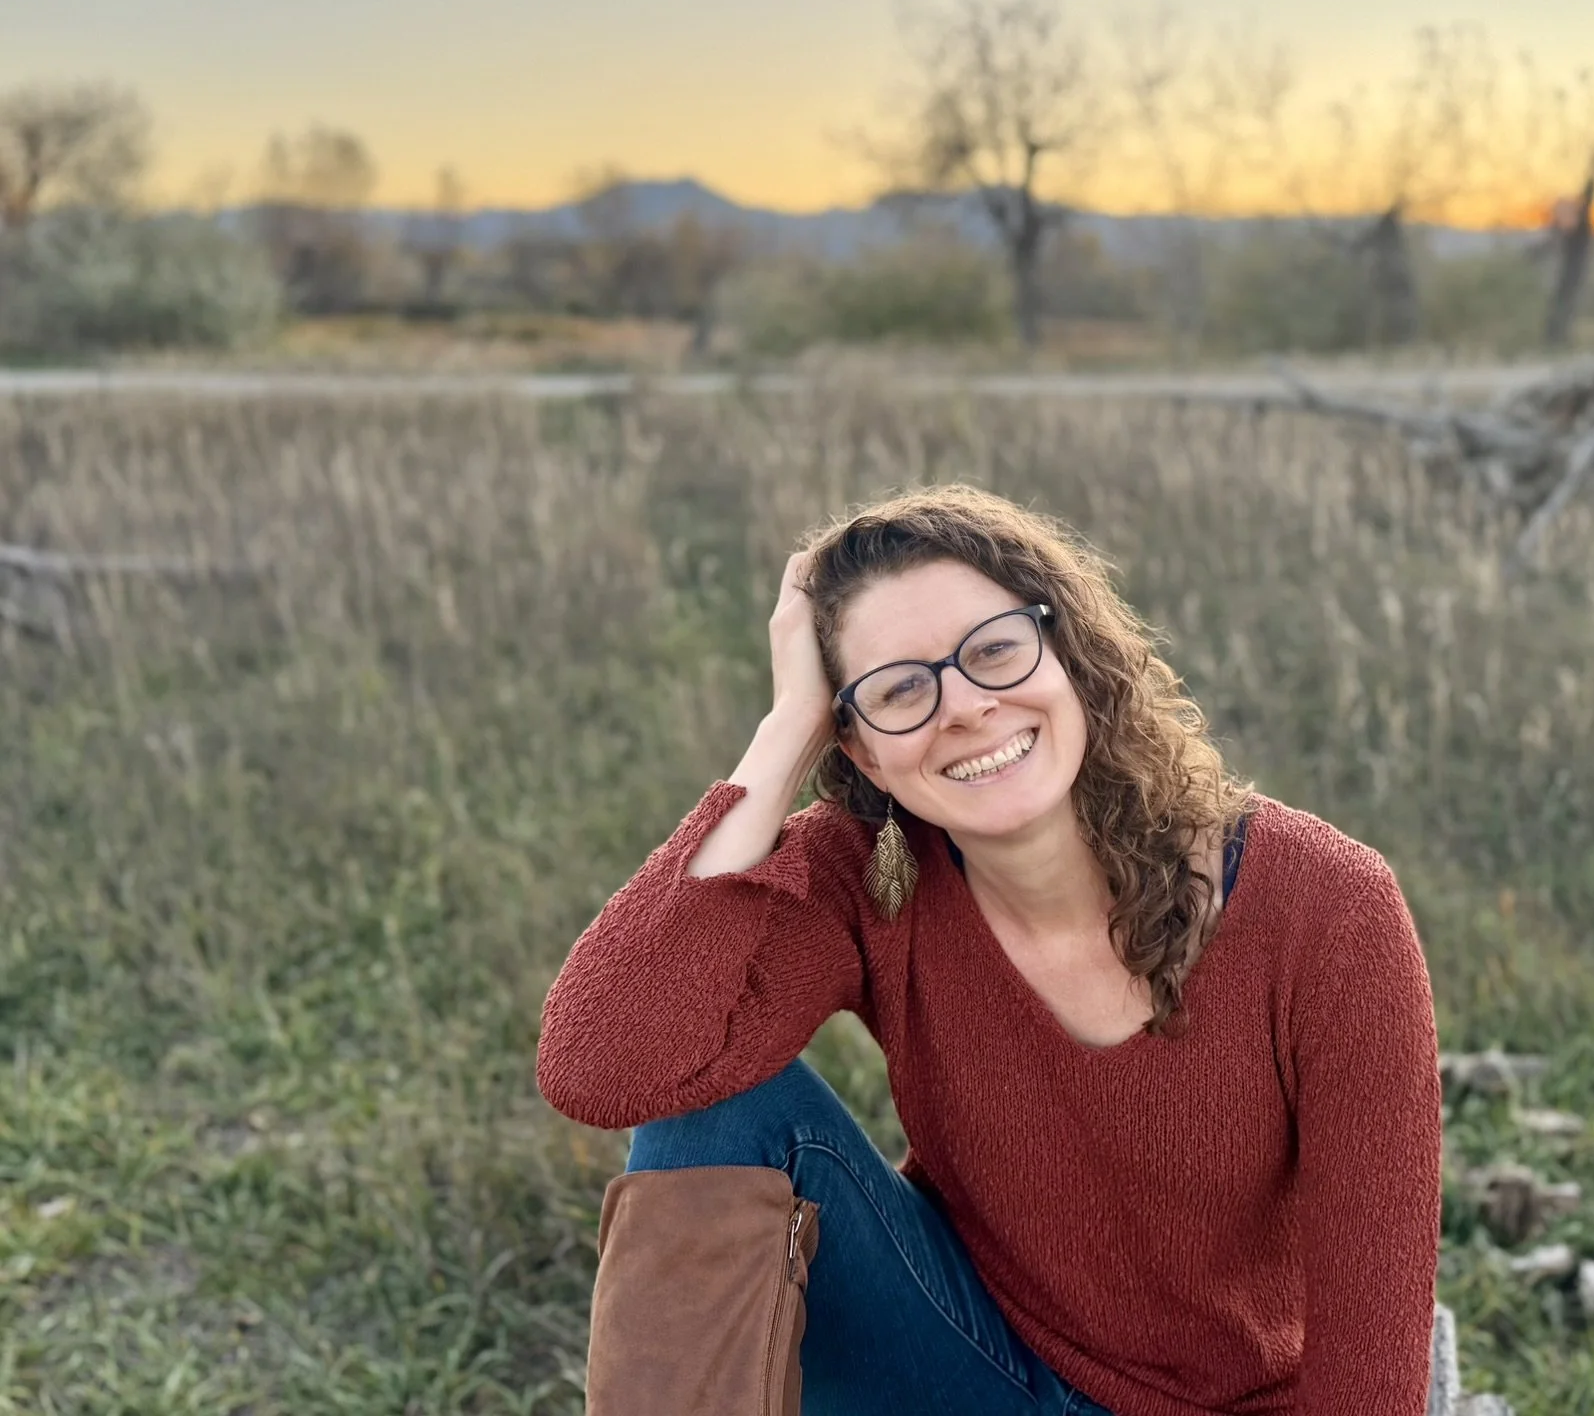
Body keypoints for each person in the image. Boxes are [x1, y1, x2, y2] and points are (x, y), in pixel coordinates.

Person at [535, 484, 1443, 1416]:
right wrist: (781, 738)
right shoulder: (870, 876)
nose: (964, 706)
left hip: (1224, 1405)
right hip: (970, 1363)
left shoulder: (1327, 910)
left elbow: (1370, 1373)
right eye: (898, 690)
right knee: (713, 1114)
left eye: (996, 649)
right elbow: (601, 1065)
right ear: (856, 747)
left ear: (1070, 652)